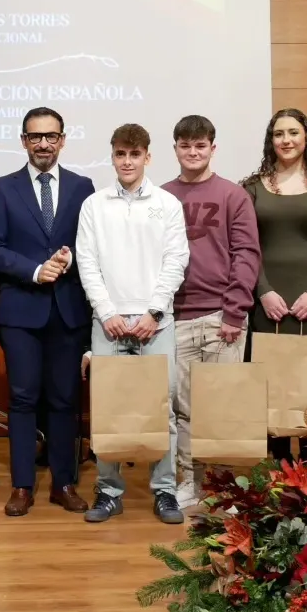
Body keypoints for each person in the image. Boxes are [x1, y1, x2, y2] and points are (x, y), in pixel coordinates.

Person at [0, 107, 94, 517]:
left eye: (51, 136)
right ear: (23, 141)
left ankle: (64, 483)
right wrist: (33, 270)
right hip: (21, 314)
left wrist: (70, 259)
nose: (43, 143)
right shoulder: (4, 187)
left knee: (65, 401)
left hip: (68, 311)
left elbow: (93, 246)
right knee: (23, 399)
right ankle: (23, 486)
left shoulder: (84, 187)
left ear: (62, 140)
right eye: (35, 137)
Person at [76, 123, 189, 524]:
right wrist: (107, 313)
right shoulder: (94, 205)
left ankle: (164, 492)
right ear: (112, 156)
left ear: (147, 157)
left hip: (155, 322)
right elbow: (87, 263)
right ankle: (109, 492)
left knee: (163, 409)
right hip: (107, 322)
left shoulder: (167, 203)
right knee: (109, 408)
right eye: (121, 154)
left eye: (135, 154)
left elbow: (176, 261)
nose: (127, 161)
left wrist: (154, 312)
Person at [161, 115, 261, 509]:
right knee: (184, 408)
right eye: (185, 146)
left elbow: (247, 254)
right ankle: (192, 480)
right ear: (175, 149)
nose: (193, 152)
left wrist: (235, 311)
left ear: (212, 148)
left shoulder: (234, 195)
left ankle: (224, 487)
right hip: (178, 317)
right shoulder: (163, 196)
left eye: (200, 146)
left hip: (222, 316)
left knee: (223, 407)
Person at [243, 108, 307, 461]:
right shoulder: (253, 187)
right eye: (278, 134)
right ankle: (275, 477)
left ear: (306, 138)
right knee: (271, 387)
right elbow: (246, 246)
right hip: (266, 301)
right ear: (270, 141)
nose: (286, 140)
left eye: (293, 133)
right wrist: (264, 292)